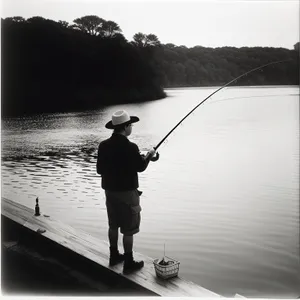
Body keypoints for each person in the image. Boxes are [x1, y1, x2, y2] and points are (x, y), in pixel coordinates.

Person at [96, 110, 159, 274]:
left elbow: (99, 170)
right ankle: (129, 262)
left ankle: (114, 256)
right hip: (128, 194)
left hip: (109, 193)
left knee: (113, 225)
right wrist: (149, 156)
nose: (131, 127)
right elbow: (140, 167)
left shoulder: (103, 146)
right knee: (129, 229)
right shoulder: (131, 147)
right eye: (130, 125)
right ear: (125, 127)